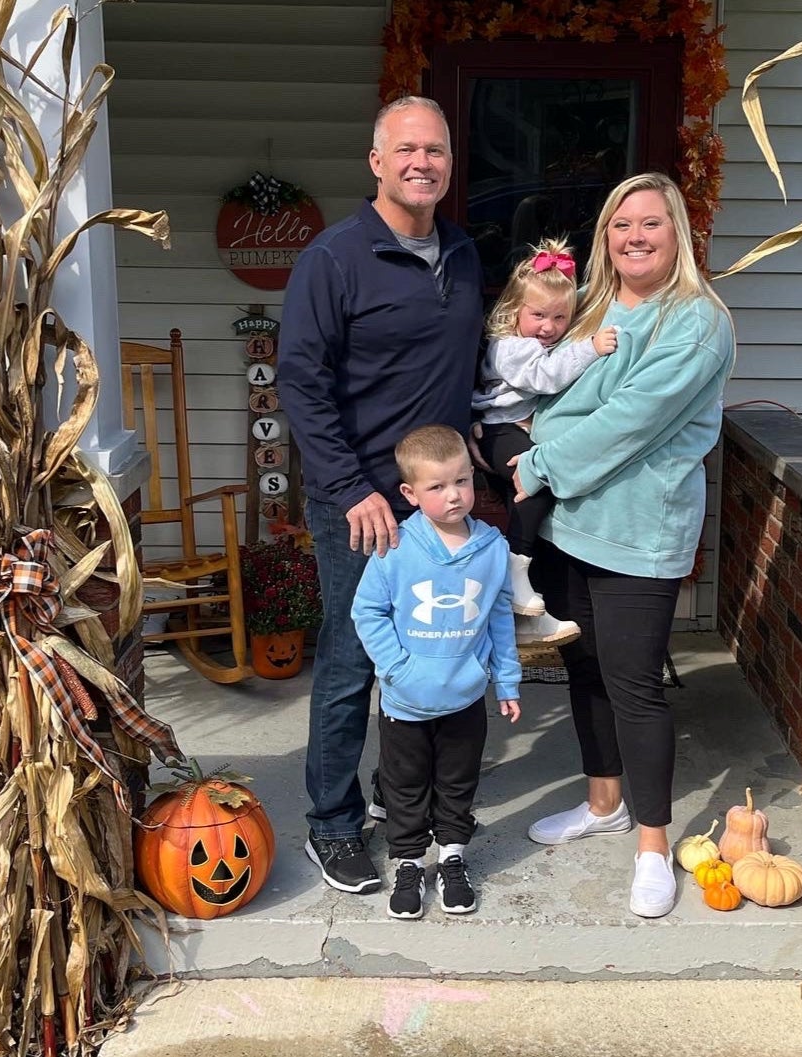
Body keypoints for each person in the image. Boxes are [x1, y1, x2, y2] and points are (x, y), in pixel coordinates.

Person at [510, 172, 735, 918]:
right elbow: (551, 395)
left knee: (635, 685)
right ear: (605, 237)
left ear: (679, 235)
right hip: (566, 523)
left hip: (639, 529)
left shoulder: (696, 322)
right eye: (619, 225)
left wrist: (541, 457)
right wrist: (554, 429)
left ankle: (651, 845)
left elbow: (632, 418)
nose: (634, 236)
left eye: (651, 224)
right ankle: (602, 802)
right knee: (584, 667)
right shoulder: (596, 309)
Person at [277, 97, 484, 896]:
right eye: (406, 150)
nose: (422, 162)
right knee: (354, 659)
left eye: (435, 149)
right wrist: (347, 487)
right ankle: (333, 821)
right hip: (360, 501)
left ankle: (421, 810)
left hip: (442, 498)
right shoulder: (335, 259)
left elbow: (480, 366)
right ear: (376, 161)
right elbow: (302, 381)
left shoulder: (462, 253)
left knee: (437, 652)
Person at [351, 425, 521, 919]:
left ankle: (451, 857)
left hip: (465, 697)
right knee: (405, 787)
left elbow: (499, 616)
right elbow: (368, 612)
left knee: (457, 783)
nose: (454, 496)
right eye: (437, 487)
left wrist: (505, 680)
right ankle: (407, 862)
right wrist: (397, 668)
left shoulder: (491, 548)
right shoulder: (397, 546)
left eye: (462, 482)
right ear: (409, 493)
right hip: (405, 701)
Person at [472, 237, 618, 644]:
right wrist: (591, 348)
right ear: (513, 310)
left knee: (533, 502)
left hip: (518, 430)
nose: (549, 327)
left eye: (559, 317)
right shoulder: (511, 347)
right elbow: (547, 376)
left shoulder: (542, 340)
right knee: (533, 485)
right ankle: (514, 569)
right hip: (498, 430)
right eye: (538, 315)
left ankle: (526, 610)